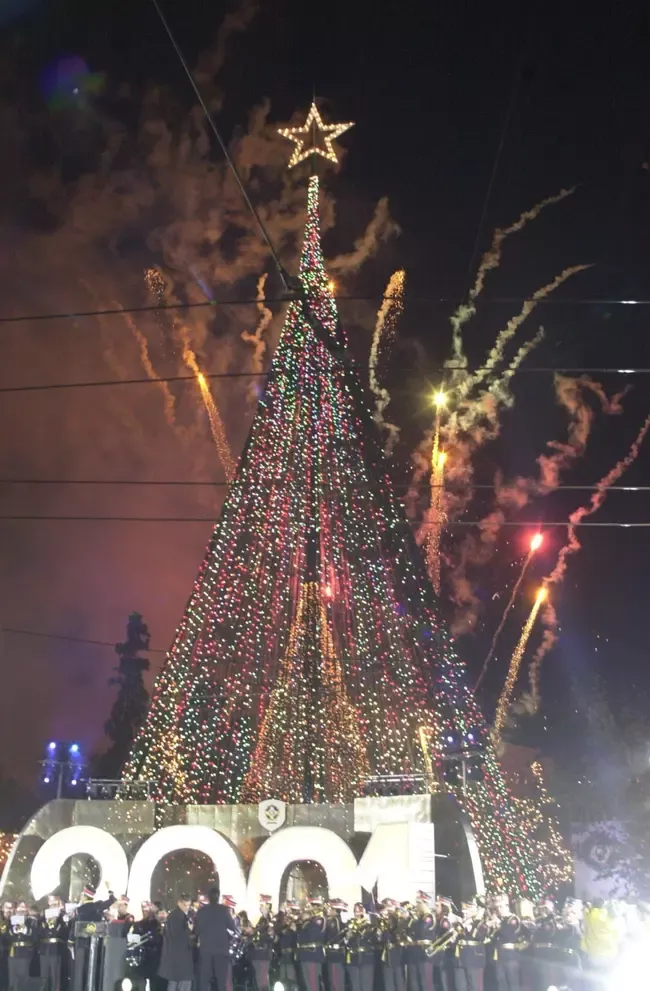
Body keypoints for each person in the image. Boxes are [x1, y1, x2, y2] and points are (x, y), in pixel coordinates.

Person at [194, 887, 237, 991]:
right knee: (221, 982)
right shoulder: (224, 910)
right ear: (218, 897)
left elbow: (196, 931)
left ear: (208, 898)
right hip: (221, 951)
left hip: (206, 950)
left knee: (204, 981)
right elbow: (233, 928)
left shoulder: (201, 911)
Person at [158, 894, 194, 991]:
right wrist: (190, 931)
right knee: (183, 983)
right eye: (184, 905)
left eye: (188, 905)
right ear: (179, 903)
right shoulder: (177, 916)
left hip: (175, 958)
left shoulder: (175, 915)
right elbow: (178, 935)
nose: (187, 908)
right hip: (180, 957)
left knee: (174, 982)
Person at [453, 902, 488, 991]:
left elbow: (480, 936)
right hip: (460, 959)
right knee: (460, 987)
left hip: (474, 959)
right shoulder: (460, 923)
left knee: (475, 987)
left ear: (473, 912)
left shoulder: (481, 923)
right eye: (463, 912)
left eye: (466, 912)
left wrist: (472, 924)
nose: (464, 913)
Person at [37, 897, 69, 991]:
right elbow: (39, 932)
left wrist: (57, 923)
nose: (53, 907)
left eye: (55, 905)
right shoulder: (42, 918)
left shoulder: (62, 919)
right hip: (44, 949)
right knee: (44, 975)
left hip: (56, 950)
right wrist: (46, 923)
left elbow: (63, 933)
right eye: (51, 905)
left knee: (55, 975)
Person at [295, 899, 325, 991]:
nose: (302, 914)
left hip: (312, 956)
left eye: (304, 913)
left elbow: (313, 935)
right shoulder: (303, 924)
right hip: (304, 956)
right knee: (307, 983)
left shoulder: (316, 921)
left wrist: (308, 921)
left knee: (313, 983)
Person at [345, 902, 376, 991]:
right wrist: (347, 937)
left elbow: (372, 939)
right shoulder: (350, 923)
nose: (357, 913)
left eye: (359, 911)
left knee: (366, 985)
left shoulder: (368, 925)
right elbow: (347, 942)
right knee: (355, 986)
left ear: (363, 912)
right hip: (354, 958)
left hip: (366, 958)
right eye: (355, 911)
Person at [7, 900, 36, 991]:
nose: (20, 913)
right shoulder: (11, 922)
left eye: (23, 911)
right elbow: (5, 936)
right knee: (12, 978)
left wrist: (25, 930)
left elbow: (35, 937)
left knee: (23, 978)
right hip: (13, 953)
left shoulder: (31, 922)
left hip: (25, 952)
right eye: (19, 911)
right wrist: (13, 931)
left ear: (26, 912)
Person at [248, 896, 273, 991]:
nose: (261, 907)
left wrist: (254, 932)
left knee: (263, 978)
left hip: (263, 952)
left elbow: (270, 934)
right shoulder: (262, 919)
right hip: (257, 953)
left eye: (262, 905)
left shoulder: (269, 920)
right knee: (259, 977)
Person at [324, 900, 347, 991]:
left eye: (331, 909)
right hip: (336, 954)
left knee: (335, 981)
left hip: (334, 954)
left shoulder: (334, 921)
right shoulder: (339, 920)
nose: (330, 911)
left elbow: (331, 936)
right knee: (336, 981)